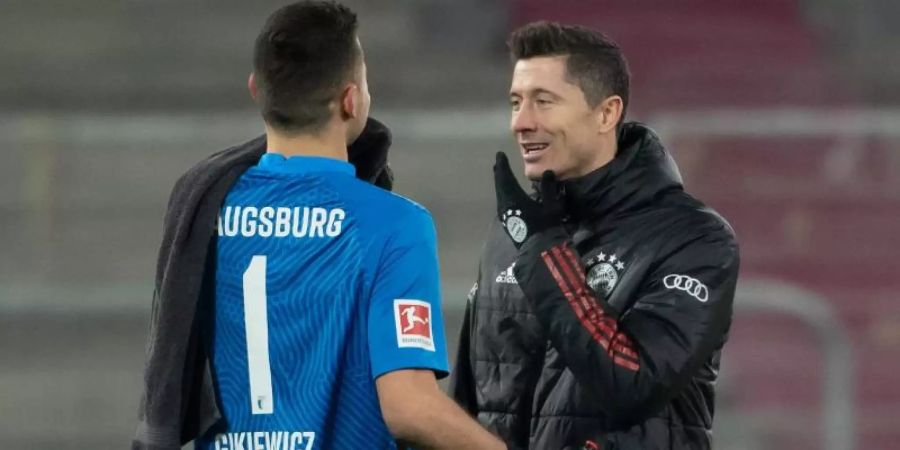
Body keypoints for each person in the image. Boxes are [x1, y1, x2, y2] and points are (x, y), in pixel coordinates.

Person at [133, 2, 505, 450]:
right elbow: (408, 407)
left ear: (256, 89)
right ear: (351, 100)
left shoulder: (205, 213)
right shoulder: (393, 223)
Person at [449, 21, 740, 450]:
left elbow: (633, 382)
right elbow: (471, 402)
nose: (521, 123)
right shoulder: (514, 232)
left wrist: (544, 252)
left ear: (607, 113)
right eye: (516, 102)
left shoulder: (695, 237)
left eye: (543, 102)